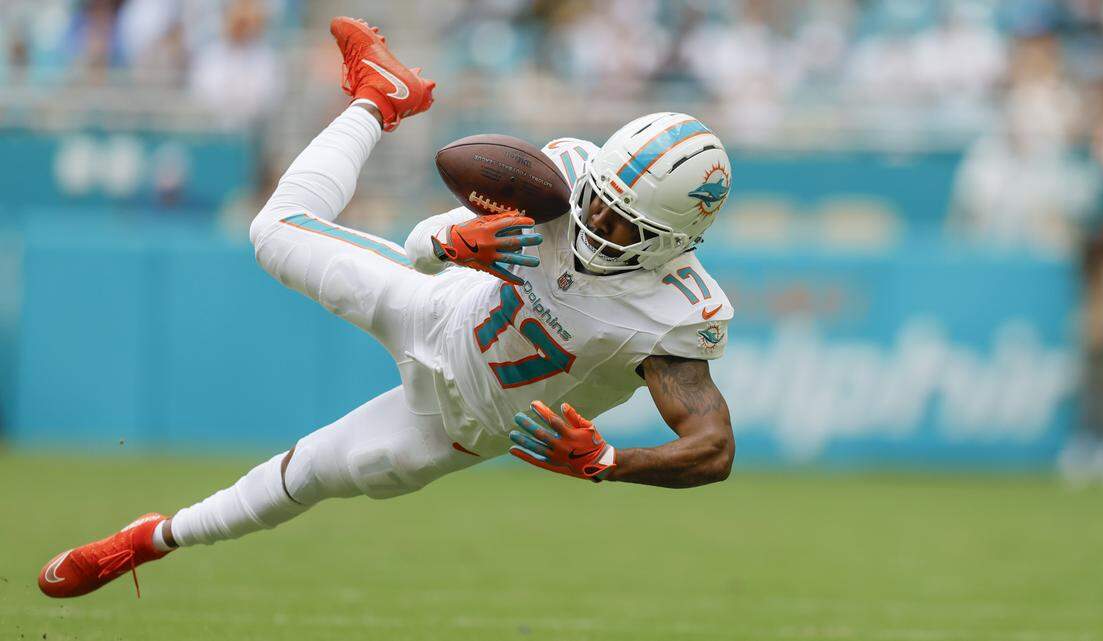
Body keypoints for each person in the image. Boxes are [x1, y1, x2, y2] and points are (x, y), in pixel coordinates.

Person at [37, 17, 736, 599]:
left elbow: (713, 447)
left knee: (307, 473)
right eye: (599, 202)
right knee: (271, 233)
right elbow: (417, 248)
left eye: (624, 225)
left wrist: (612, 459)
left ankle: (149, 540)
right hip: (433, 307)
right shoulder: (559, 181)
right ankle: (380, 95)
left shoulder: (673, 314)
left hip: (457, 425)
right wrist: (453, 242)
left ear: (676, 240)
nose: (596, 225)